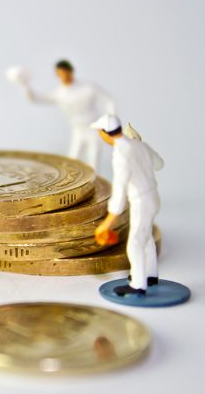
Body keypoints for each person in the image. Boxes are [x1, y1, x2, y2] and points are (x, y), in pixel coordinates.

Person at [92, 114, 164, 296]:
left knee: (134, 243)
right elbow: (159, 164)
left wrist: (108, 221)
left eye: (100, 132)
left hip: (141, 200)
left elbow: (119, 191)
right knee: (146, 236)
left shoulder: (120, 155)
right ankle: (151, 275)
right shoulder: (138, 145)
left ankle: (138, 285)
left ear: (105, 133)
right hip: (154, 196)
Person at [7, 60, 115, 170]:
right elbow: (35, 98)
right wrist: (24, 85)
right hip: (78, 130)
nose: (63, 76)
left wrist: (111, 122)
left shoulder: (88, 87)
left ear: (71, 71)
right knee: (72, 161)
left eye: (65, 72)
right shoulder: (59, 93)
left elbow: (109, 101)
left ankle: (95, 185)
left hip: (93, 129)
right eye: (60, 73)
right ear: (57, 75)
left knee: (93, 161)